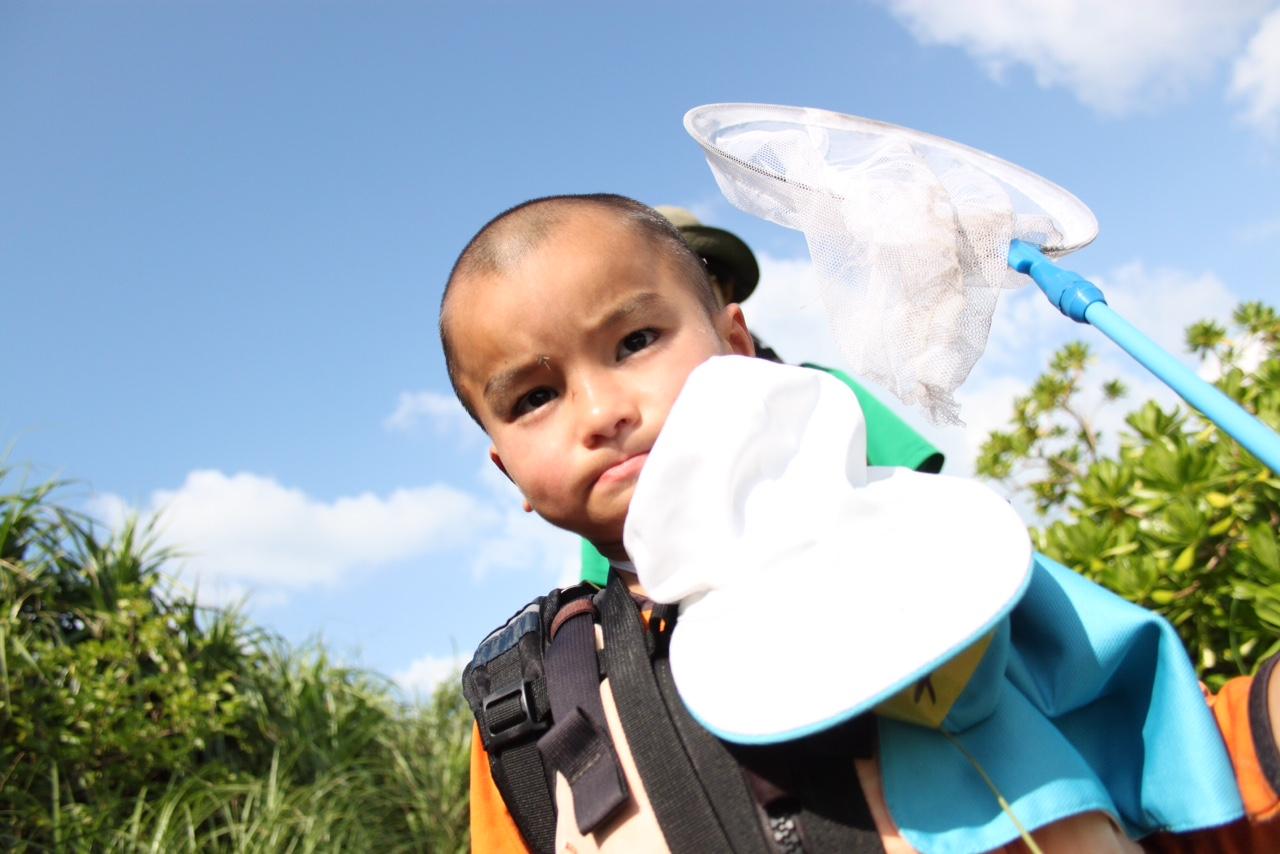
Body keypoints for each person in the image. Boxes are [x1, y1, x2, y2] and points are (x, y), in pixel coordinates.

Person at [440, 193, 1280, 852]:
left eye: (636, 341)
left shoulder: (921, 538)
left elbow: (1182, 750)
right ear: (506, 469)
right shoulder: (532, 711)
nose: (601, 410)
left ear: (738, 341)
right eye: (535, 397)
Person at [578, 206, 942, 586]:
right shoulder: (621, 460)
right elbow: (609, 589)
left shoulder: (823, 388)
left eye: (701, 269)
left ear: (724, 292)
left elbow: (925, 501)